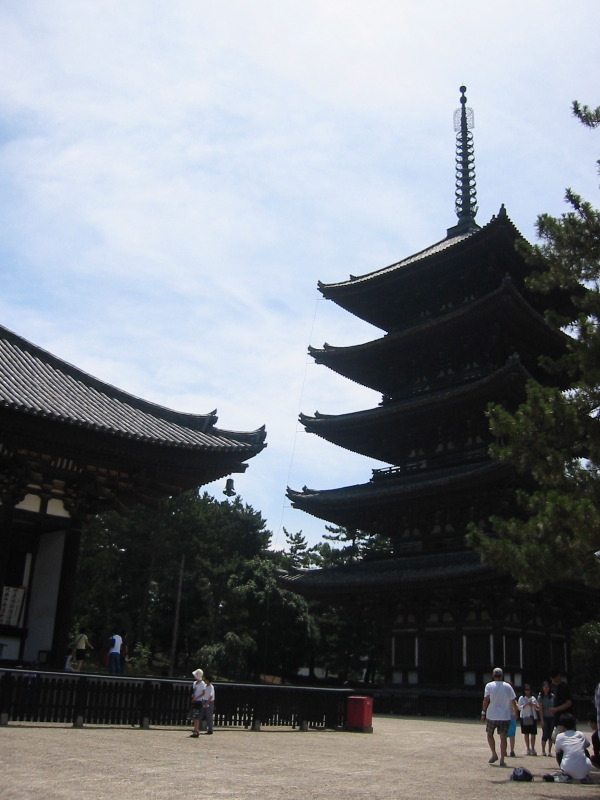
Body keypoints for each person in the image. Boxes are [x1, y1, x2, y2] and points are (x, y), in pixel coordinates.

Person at [481, 667, 518, 767]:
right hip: (504, 715)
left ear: (493, 676)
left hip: (492, 714)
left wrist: (483, 712)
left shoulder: (489, 685)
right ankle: (502, 759)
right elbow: (513, 701)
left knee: (489, 734)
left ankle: (494, 753)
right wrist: (515, 712)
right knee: (503, 738)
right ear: (502, 676)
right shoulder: (507, 686)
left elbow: (486, 699)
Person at [543, 713, 592, 783]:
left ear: (562, 726)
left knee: (559, 752)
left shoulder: (560, 736)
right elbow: (587, 745)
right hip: (585, 769)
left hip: (568, 767)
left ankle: (565, 774)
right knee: (584, 750)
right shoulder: (580, 734)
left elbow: (557, 750)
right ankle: (585, 775)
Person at [518, 683, 540, 756]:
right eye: (526, 690)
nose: (527, 691)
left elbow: (538, 708)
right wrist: (526, 704)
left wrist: (533, 705)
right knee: (526, 733)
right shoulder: (521, 698)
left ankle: (533, 748)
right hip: (524, 716)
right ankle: (528, 748)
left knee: (533, 733)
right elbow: (519, 707)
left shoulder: (533, 698)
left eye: (529, 690)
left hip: (533, 716)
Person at [538, 680, 555, 756]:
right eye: (544, 687)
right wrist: (541, 720)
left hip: (552, 717)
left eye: (547, 687)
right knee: (544, 734)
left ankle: (549, 751)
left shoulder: (552, 696)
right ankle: (543, 750)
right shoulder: (540, 697)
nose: (546, 688)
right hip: (544, 717)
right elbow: (540, 709)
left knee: (551, 734)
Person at [189, 668, 206, 738]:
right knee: (193, 716)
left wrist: (196, 698)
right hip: (194, 701)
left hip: (199, 701)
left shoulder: (202, 684)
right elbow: (193, 691)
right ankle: (195, 729)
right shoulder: (194, 683)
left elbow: (203, 693)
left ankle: (196, 730)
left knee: (196, 717)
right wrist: (193, 695)